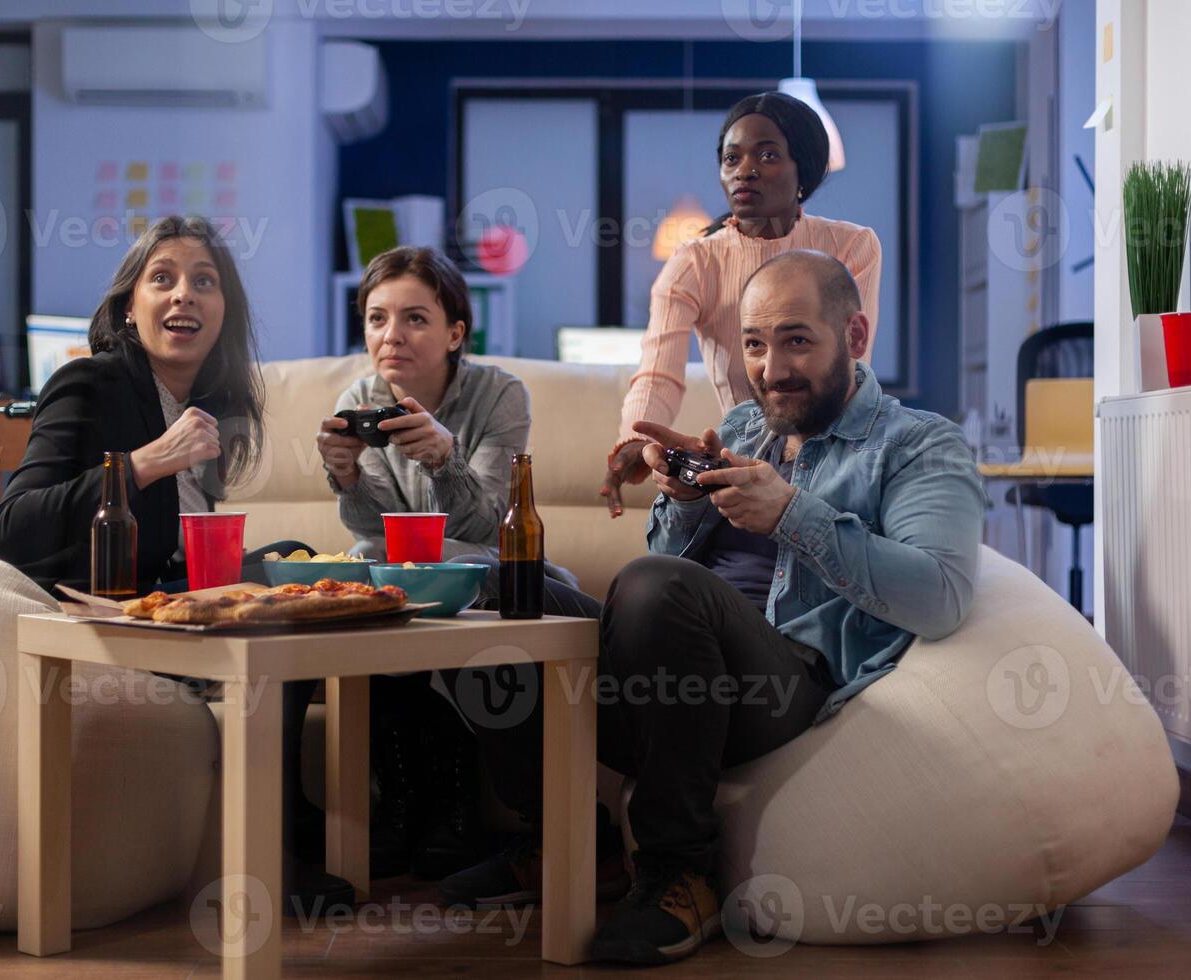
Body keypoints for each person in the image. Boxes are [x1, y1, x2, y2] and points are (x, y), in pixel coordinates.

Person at [440, 250, 984, 966]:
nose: (770, 367)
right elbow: (671, 564)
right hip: (670, 691)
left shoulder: (918, 444)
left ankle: (679, 871)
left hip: (784, 681)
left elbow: (941, 596)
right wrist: (682, 502)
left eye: (796, 339)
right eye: (755, 344)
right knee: (480, 584)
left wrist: (792, 512)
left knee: (653, 585)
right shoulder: (743, 432)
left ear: (853, 337)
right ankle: (568, 841)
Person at [0, 214, 351, 914]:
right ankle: (277, 842)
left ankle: (296, 815)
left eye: (204, 282)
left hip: (161, 603)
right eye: (163, 279)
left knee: (299, 576)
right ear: (131, 306)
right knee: (272, 622)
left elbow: (178, 551)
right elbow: (15, 525)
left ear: (225, 312)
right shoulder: (89, 384)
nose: (184, 295)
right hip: (93, 618)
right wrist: (149, 462)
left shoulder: (205, 406)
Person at [315, 246, 584, 879]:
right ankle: (411, 801)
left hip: (497, 570)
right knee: (362, 565)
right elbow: (375, 532)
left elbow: (490, 528)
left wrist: (445, 458)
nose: (392, 336)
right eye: (377, 319)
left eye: (414, 318)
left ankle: (458, 810)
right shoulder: (362, 395)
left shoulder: (499, 395)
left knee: (463, 568)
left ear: (455, 332)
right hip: (407, 574)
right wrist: (347, 475)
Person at [600, 91, 884, 518]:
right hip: (743, 471)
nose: (745, 171)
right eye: (732, 159)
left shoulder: (852, 246)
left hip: (838, 464)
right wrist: (635, 441)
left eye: (767, 156)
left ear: (802, 170)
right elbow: (659, 372)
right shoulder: (695, 261)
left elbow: (850, 369)